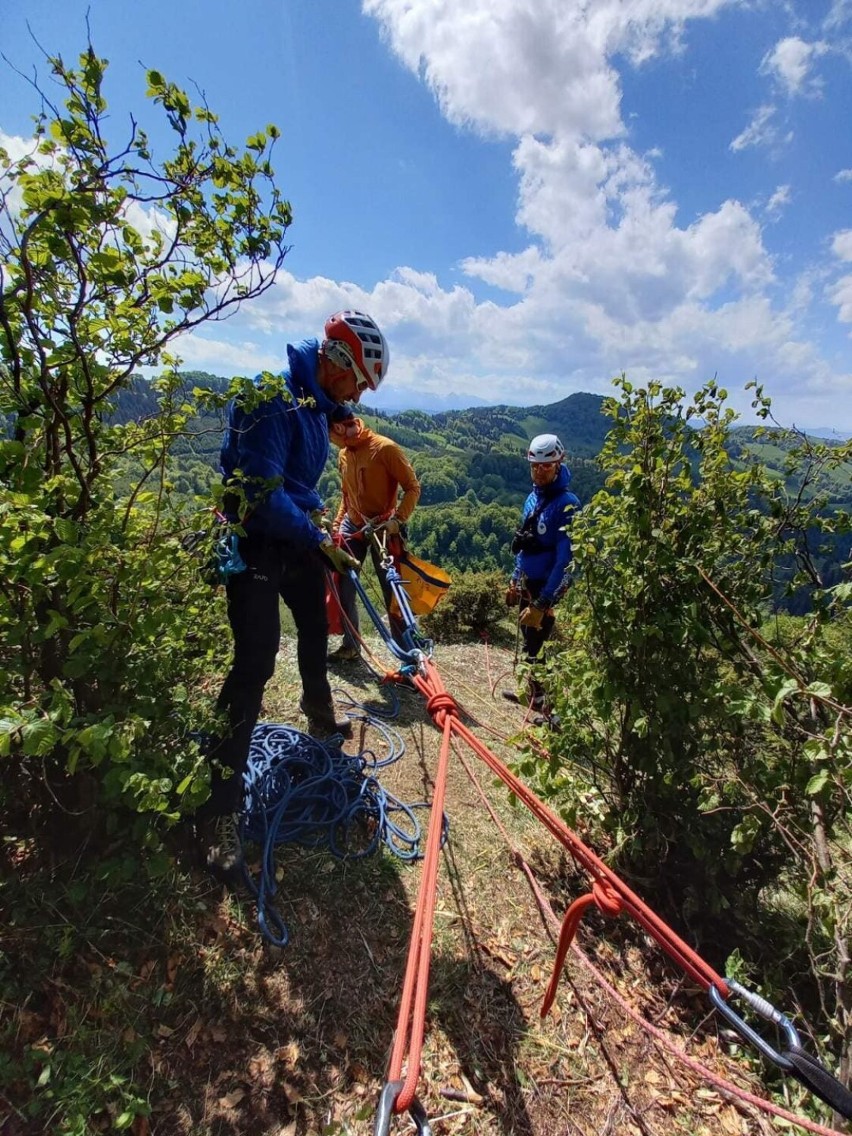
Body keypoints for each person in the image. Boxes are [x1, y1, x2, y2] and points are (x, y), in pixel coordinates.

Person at [200, 310, 390, 881]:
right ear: (333, 361)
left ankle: (318, 714)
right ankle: (216, 812)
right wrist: (318, 538)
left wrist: (318, 535)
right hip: (256, 538)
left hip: (296, 535)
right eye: (357, 380)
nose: (356, 394)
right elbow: (260, 494)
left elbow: (332, 418)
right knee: (255, 662)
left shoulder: (313, 399)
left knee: (314, 624)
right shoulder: (270, 400)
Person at [328, 412, 421, 658]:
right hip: (353, 524)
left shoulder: (385, 448)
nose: (331, 441)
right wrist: (338, 525)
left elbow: (412, 487)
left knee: (392, 590)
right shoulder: (344, 454)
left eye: (330, 435)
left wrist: (398, 520)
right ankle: (351, 645)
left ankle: (408, 655)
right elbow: (346, 495)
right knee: (344, 583)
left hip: (383, 526)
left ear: (338, 427)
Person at [503, 434, 580, 719]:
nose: (539, 471)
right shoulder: (532, 498)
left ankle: (551, 712)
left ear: (559, 465)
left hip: (547, 588)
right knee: (528, 642)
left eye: (546, 467)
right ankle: (535, 697)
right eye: (535, 466)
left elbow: (566, 561)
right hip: (528, 584)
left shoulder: (567, 505)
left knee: (538, 646)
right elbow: (525, 543)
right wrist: (514, 578)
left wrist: (544, 602)